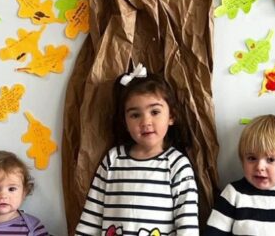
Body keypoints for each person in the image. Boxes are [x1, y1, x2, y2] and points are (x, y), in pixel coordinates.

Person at [74, 64, 200, 236]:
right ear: (125, 122)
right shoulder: (112, 159)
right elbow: (91, 218)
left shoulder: (177, 165)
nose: (145, 122)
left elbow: (187, 227)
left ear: (171, 116)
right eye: (135, 115)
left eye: (155, 112)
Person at [205, 114, 275, 235]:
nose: (259, 167)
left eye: (271, 160)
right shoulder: (233, 194)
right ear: (242, 159)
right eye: (252, 158)